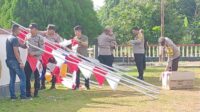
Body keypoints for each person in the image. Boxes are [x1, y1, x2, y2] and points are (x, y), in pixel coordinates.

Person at [5, 24, 28, 100]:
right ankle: (23, 96)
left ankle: (13, 97)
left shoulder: (9, 37)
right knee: (23, 78)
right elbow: (16, 52)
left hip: (9, 61)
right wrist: (20, 62)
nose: (20, 31)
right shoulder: (14, 39)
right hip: (15, 61)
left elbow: (22, 46)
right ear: (16, 30)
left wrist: (26, 42)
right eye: (19, 30)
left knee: (12, 79)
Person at [24, 23, 44, 97]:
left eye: (31, 28)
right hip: (28, 59)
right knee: (27, 76)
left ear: (35, 29)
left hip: (37, 60)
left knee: (37, 77)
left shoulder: (40, 38)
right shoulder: (27, 36)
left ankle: (36, 92)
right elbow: (24, 45)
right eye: (29, 28)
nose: (30, 30)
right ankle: (28, 92)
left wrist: (34, 53)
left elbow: (42, 50)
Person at [40, 24, 62, 90]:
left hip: (53, 56)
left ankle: (53, 85)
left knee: (53, 70)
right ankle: (42, 85)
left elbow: (60, 45)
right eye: (47, 29)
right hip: (44, 55)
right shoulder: (44, 34)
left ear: (53, 30)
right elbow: (37, 32)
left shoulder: (57, 37)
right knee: (43, 70)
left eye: (49, 29)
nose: (48, 30)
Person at [73, 25, 90, 90]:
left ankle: (87, 85)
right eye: (75, 31)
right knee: (77, 72)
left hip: (84, 57)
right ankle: (77, 85)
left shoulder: (85, 37)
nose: (76, 33)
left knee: (86, 71)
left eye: (77, 31)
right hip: (76, 57)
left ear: (80, 31)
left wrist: (79, 41)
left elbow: (86, 44)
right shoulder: (74, 38)